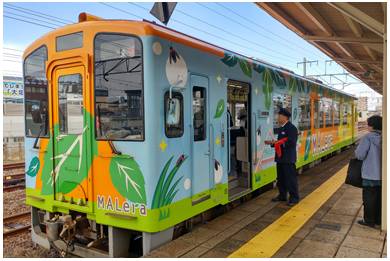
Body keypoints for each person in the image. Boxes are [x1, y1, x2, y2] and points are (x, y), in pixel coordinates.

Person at [265, 107, 299, 206]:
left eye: (279, 116)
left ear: (285, 117)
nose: (278, 118)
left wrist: (278, 144)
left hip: (288, 158)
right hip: (280, 157)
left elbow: (291, 142)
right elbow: (279, 142)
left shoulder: (291, 128)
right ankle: (282, 195)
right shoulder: (282, 128)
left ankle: (294, 198)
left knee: (290, 178)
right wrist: (272, 143)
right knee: (281, 178)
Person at [355, 115, 382, 228]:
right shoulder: (385, 136)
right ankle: (379, 219)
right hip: (383, 175)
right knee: (380, 197)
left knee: (369, 197)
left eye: (368, 124)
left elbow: (360, 155)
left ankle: (369, 220)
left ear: (372, 126)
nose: (367, 126)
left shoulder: (367, 138)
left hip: (370, 173)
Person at [235, 101, 247, 171]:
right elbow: (238, 117)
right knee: (239, 145)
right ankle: (238, 163)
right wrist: (244, 115)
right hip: (242, 129)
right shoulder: (242, 110)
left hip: (249, 129)